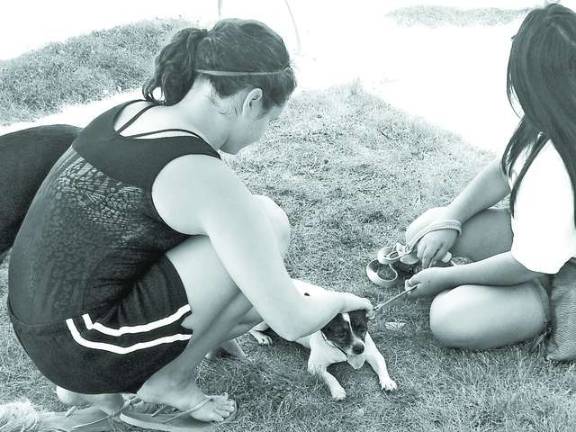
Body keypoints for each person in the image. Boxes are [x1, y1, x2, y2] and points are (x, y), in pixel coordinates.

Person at [4, 18, 372, 428]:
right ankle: (169, 379)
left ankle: (96, 380)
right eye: (270, 120)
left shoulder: (129, 113)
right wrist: (340, 301)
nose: (264, 134)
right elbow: (291, 320)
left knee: (255, 239)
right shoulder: (201, 174)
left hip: (41, 329)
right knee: (266, 227)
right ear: (251, 101)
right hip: (86, 346)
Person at [403, 3, 576, 351]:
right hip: (538, 247)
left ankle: (544, 305)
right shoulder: (551, 113)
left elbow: (531, 262)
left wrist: (447, 277)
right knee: (426, 227)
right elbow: (504, 168)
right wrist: (451, 219)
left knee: (450, 318)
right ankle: (506, 292)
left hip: (558, 269)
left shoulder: (557, 161)